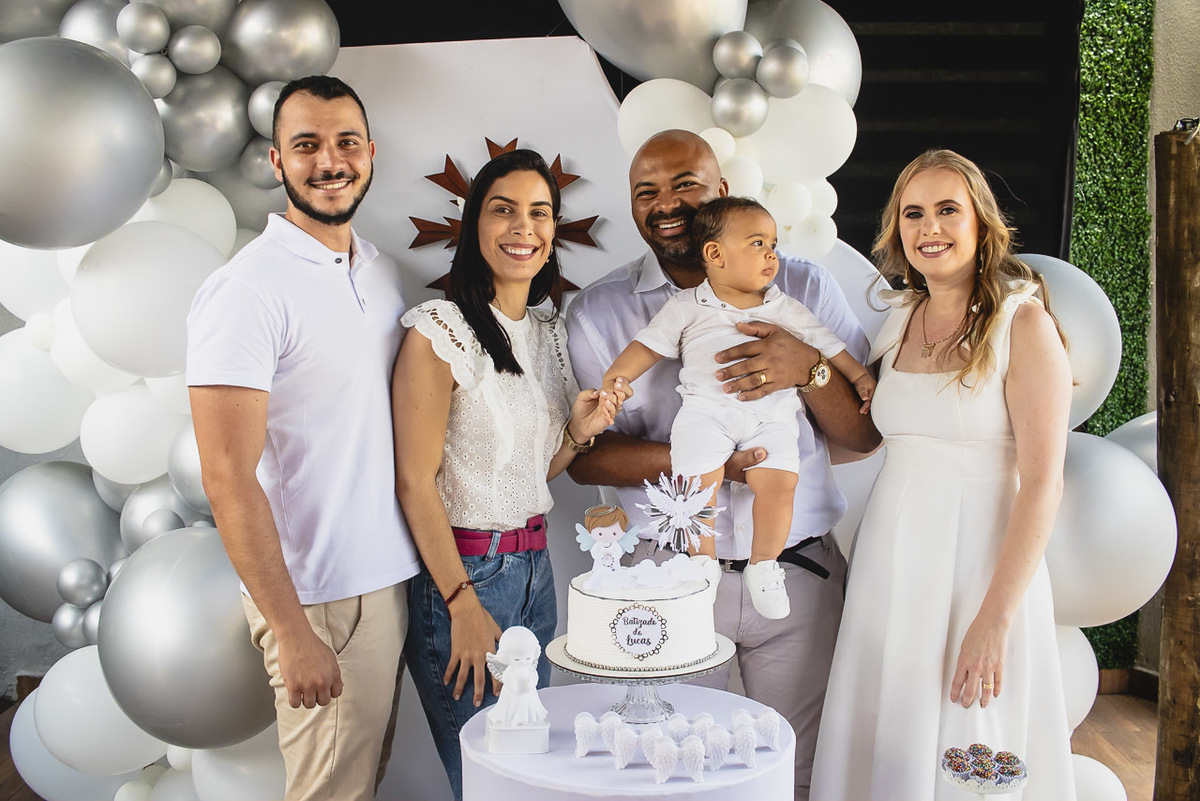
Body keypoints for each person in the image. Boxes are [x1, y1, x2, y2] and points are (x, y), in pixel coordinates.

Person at [564, 129, 881, 800]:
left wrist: (810, 366)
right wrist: (714, 465)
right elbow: (586, 460)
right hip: (671, 572)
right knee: (674, 768)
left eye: (685, 184)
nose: (666, 203)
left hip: (797, 572)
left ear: (723, 194)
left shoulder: (799, 285)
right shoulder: (601, 310)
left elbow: (865, 430)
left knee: (796, 769)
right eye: (645, 192)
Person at [809, 149, 1076, 800]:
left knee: (971, 743)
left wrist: (994, 619)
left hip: (979, 572)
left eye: (948, 210)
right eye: (914, 213)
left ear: (982, 223)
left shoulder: (1024, 323)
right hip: (891, 565)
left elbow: (1044, 482)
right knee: (886, 731)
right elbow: (868, 437)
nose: (930, 227)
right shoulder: (898, 319)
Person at [186, 75, 418, 801]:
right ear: (277, 161)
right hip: (317, 597)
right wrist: (290, 630)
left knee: (360, 781)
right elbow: (225, 473)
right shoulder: (248, 288)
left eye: (346, 141)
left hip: (382, 578)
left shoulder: (376, 271)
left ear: (371, 153)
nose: (330, 160)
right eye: (306, 144)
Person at [392, 148, 617, 800]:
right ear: (473, 227)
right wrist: (461, 603)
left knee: (529, 776)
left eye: (539, 213)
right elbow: (414, 481)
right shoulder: (441, 329)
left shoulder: (547, 332)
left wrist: (578, 432)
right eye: (504, 210)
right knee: (487, 782)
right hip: (465, 577)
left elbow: (525, 473)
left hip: (534, 573)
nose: (524, 227)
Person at [600, 196, 875, 619]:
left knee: (780, 484)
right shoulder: (688, 305)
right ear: (715, 254)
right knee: (696, 481)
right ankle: (702, 559)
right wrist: (617, 378)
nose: (772, 254)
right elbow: (646, 347)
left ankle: (764, 566)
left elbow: (831, 347)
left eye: (773, 244)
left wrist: (858, 377)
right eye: (758, 243)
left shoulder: (785, 307)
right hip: (705, 415)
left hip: (772, 417)